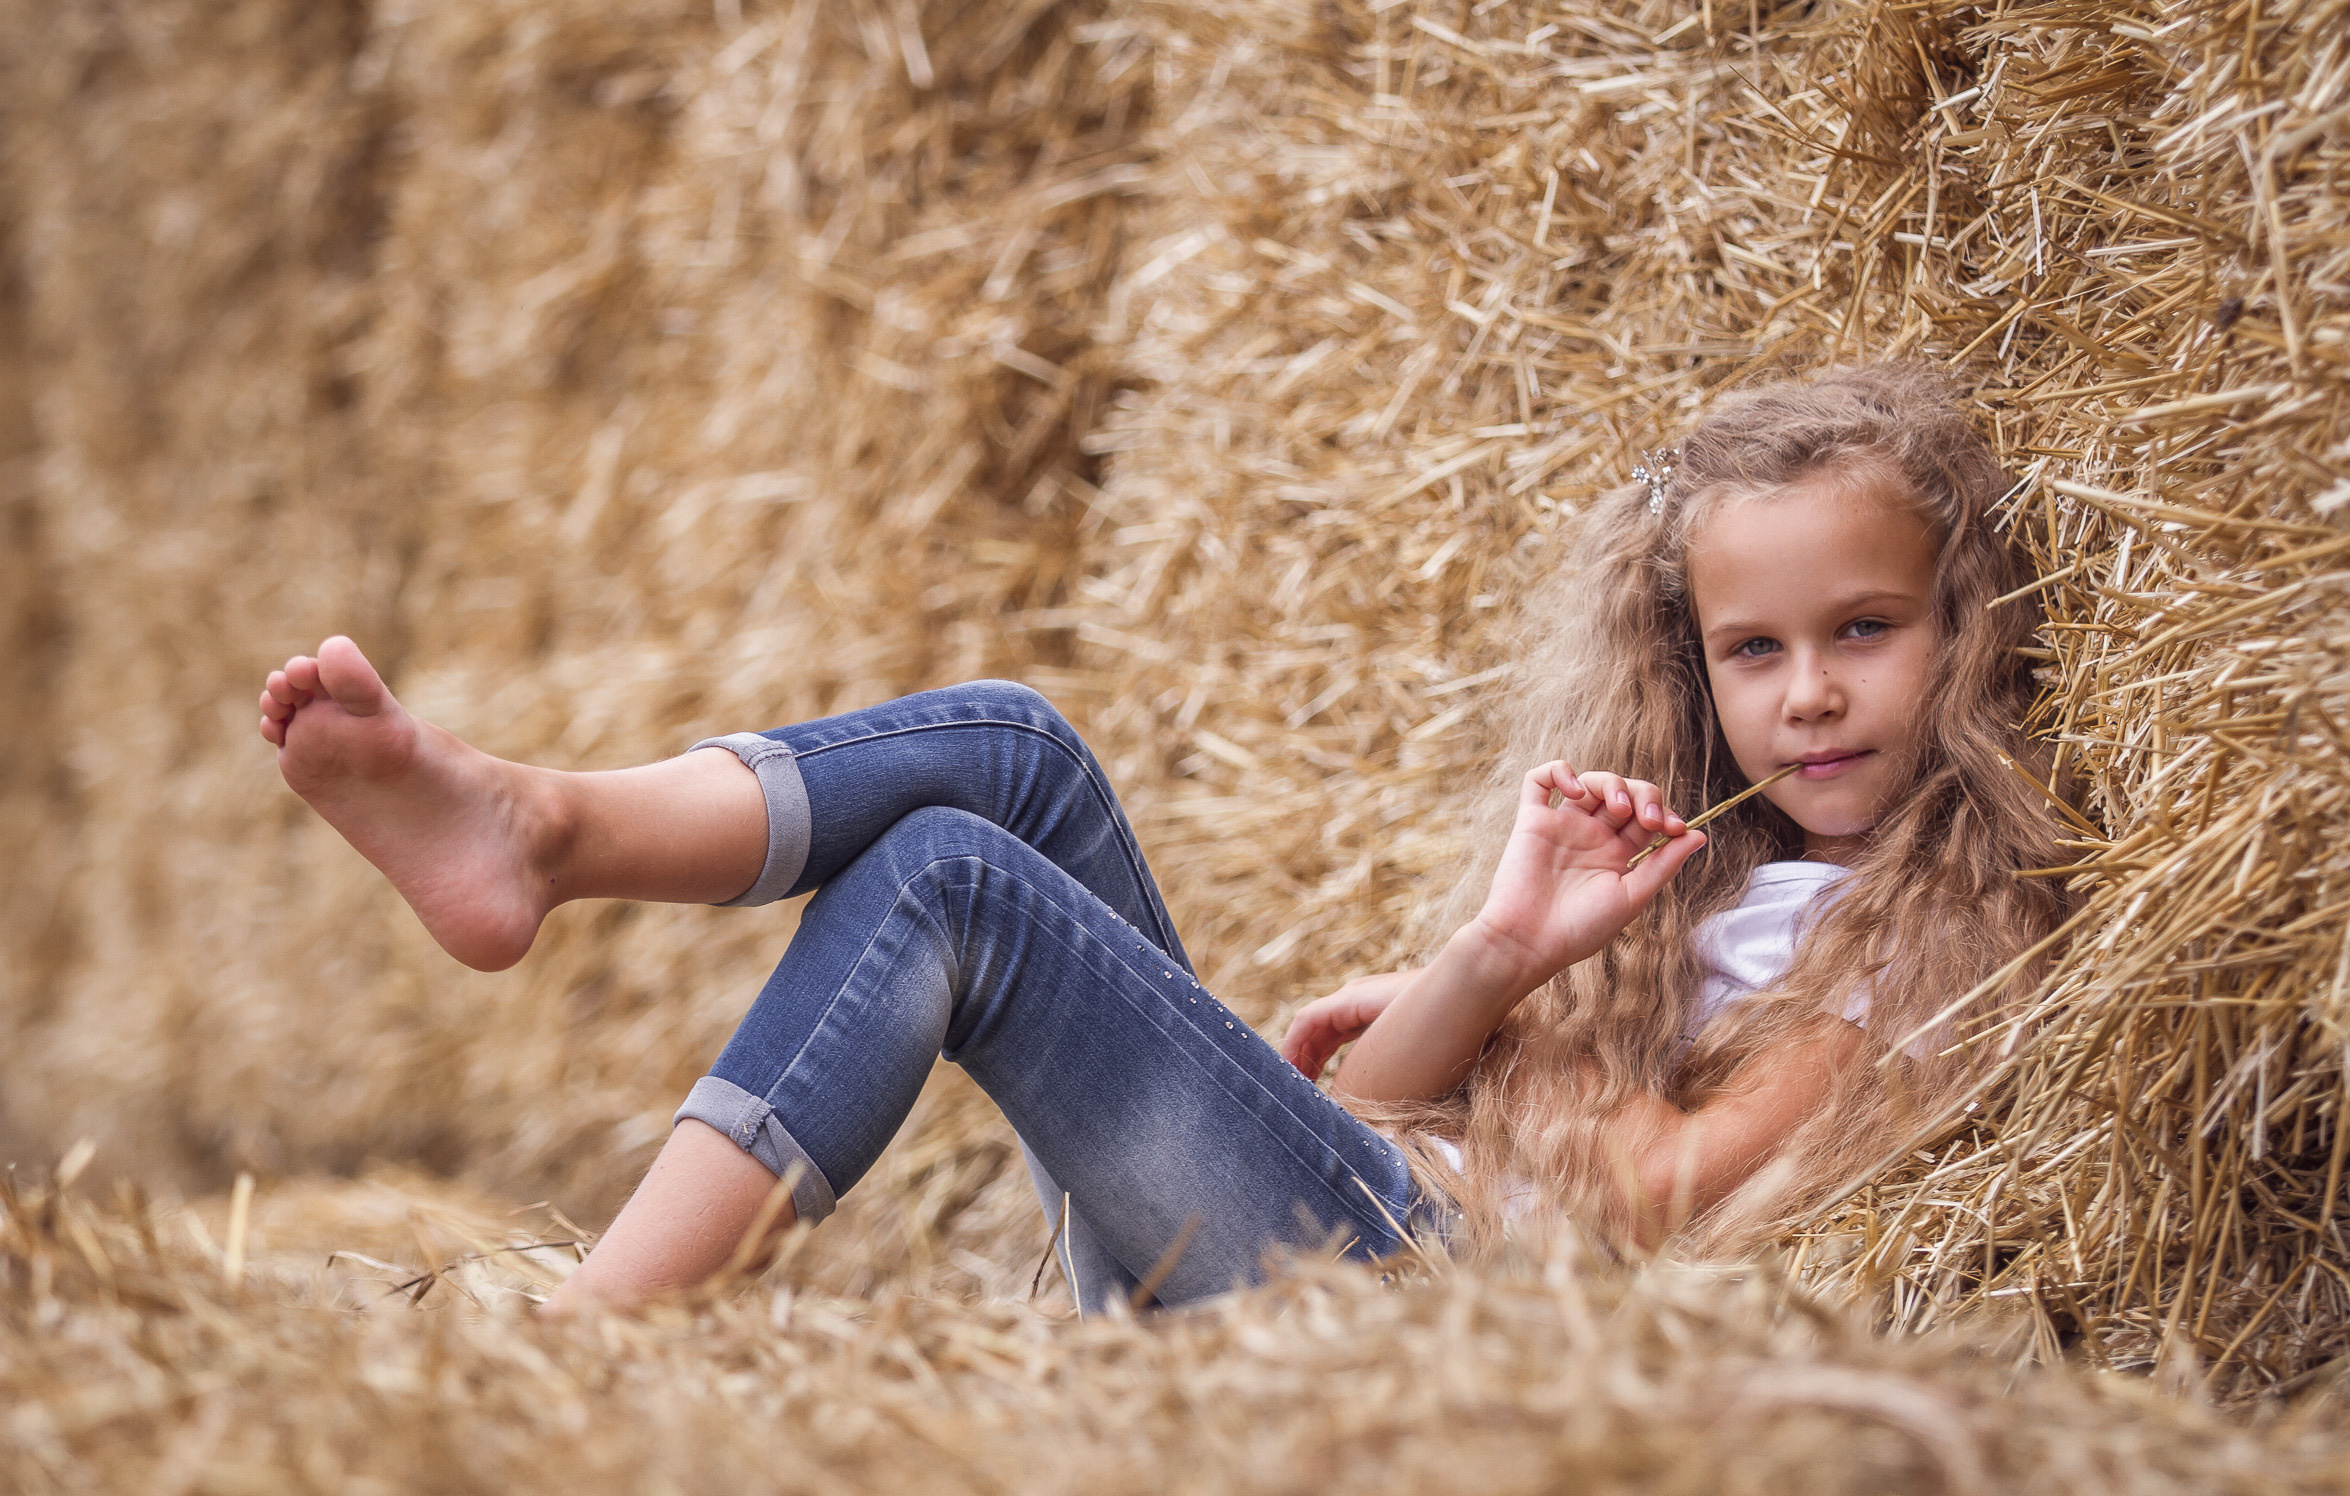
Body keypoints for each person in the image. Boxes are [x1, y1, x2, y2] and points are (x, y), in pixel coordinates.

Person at [256, 363, 2066, 1314]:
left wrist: (1536, 1060)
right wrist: (1497, 963)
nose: (1809, 696)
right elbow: (1380, 1109)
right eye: (1755, 651)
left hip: (1418, 1311)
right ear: (1695, 664)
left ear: (1964, 631)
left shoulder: (1931, 929)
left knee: (952, 882)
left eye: (1863, 632)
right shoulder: (1707, 873)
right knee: (1014, 751)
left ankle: (597, 1333)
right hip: (1349, 1231)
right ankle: (549, 827)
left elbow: (1660, 1200)